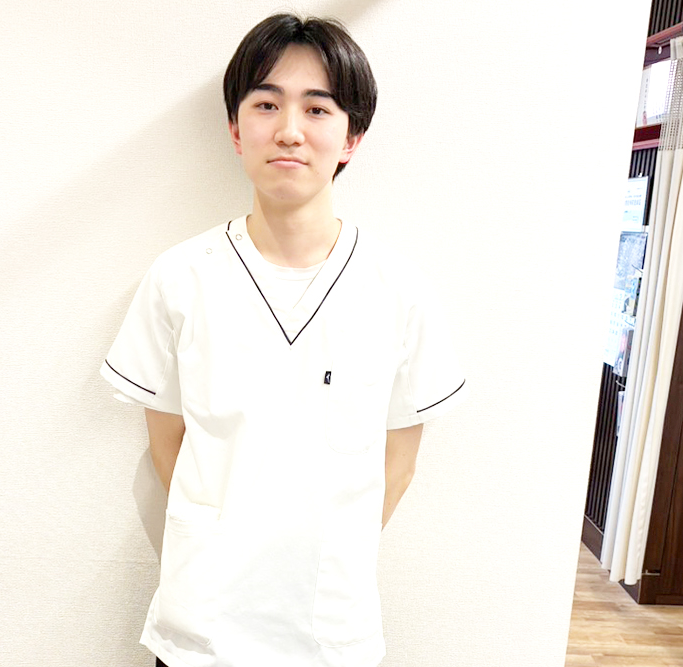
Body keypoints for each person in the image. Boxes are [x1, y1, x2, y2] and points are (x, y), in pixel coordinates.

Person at [101, 13, 466, 667]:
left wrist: (326, 547)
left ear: (351, 137)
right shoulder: (180, 277)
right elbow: (167, 445)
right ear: (236, 129)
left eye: (317, 109)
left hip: (330, 633)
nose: (290, 130)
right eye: (267, 104)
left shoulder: (398, 290)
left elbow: (400, 464)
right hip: (200, 631)